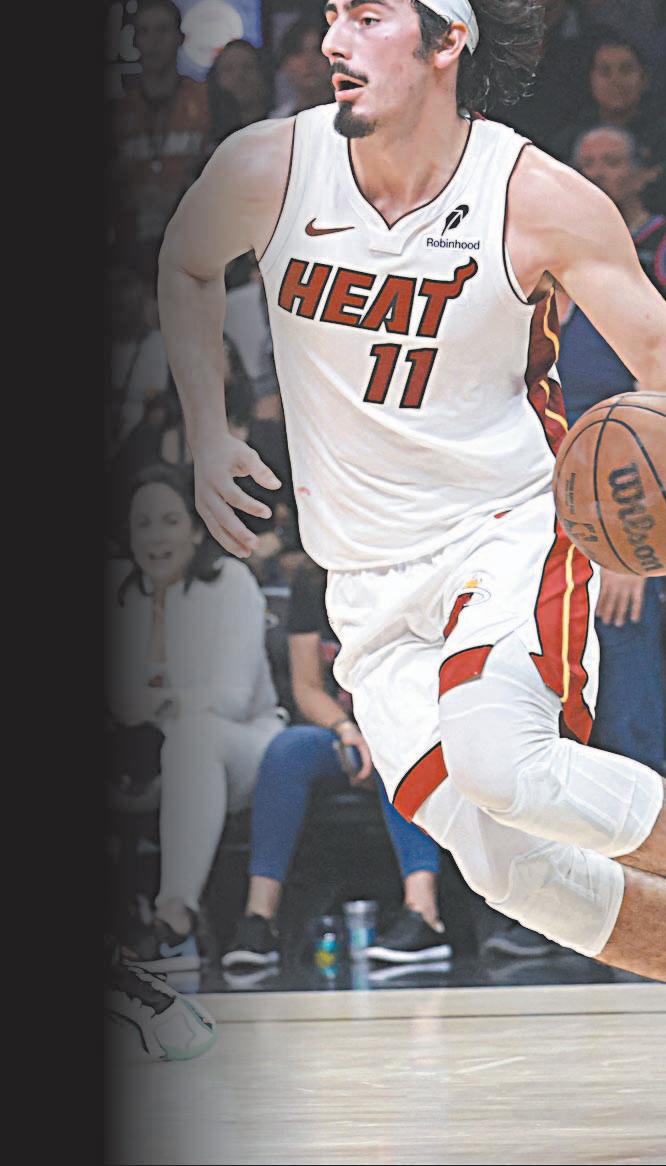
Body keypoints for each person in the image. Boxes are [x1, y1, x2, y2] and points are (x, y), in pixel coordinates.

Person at [156, 0, 666, 981]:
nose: (334, 41)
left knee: (504, 763)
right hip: (363, 582)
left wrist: (640, 520)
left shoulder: (534, 195)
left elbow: (656, 358)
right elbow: (184, 260)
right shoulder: (270, 166)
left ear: (446, 40)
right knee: (507, 867)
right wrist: (209, 433)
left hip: (505, 530)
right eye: (331, 16)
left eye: (369, 17)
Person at [222, 558, 452, 978]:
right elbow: (307, 688)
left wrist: (379, 733)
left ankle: (424, 915)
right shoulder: (313, 582)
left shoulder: (409, 570)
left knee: (398, 751)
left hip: (405, 723)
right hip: (342, 730)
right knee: (287, 750)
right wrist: (346, 730)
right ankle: (258, 921)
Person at [107, 463, 287, 969]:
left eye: (169, 521)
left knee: (194, 736)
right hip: (147, 757)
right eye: (143, 524)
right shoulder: (120, 592)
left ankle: (175, 917)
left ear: (194, 528)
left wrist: (149, 704)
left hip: (244, 746)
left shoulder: (230, 582)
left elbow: (231, 699)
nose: (155, 537)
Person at [555, 125, 665, 773]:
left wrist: (633, 550)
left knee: (627, 711)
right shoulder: (530, 290)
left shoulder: (634, 286)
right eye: (585, 163)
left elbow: (651, 427)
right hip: (541, 520)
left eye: (611, 162)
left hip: (621, 514)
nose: (597, 174)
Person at [109, 0, 209, 285]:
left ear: (180, 38)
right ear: (134, 42)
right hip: (133, 256)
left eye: (162, 30)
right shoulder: (117, 112)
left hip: (196, 246)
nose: (153, 41)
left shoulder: (207, 100)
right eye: (144, 32)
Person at [269, 17, 334, 118]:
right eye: (299, 52)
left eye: (317, 50)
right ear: (284, 65)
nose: (309, 61)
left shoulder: (353, 115)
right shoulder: (276, 121)